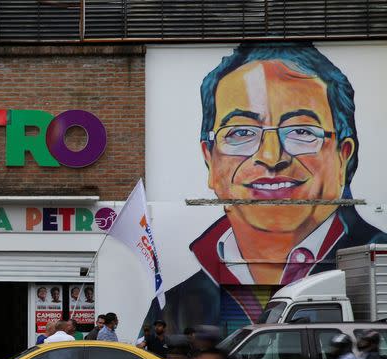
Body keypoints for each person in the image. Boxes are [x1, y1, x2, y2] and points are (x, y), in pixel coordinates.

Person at [145, 43, 387, 333]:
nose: (271, 157)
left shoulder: (373, 263)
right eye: (241, 132)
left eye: (301, 131)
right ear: (210, 160)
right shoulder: (174, 305)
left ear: (343, 156)